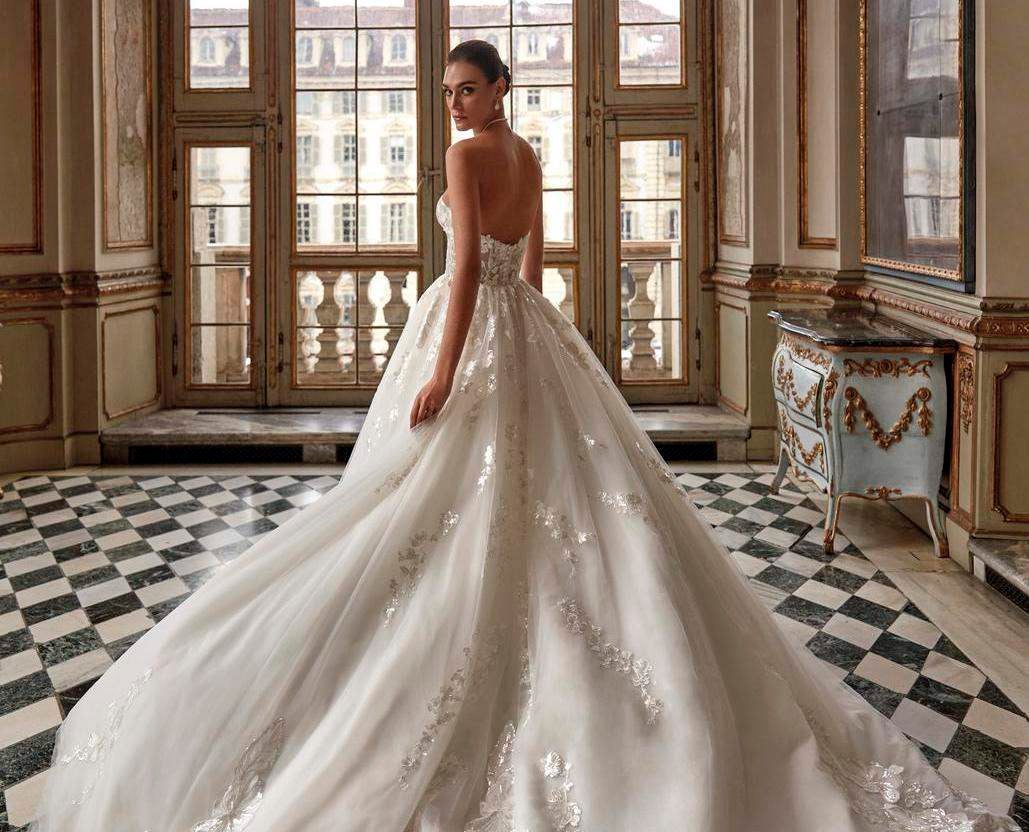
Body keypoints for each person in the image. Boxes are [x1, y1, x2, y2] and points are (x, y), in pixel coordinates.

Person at [28, 40, 1020, 832]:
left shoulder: (468, 157)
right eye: (449, 91)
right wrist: (532, 336)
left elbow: (464, 272)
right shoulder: (531, 151)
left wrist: (444, 371)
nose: (454, 104)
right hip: (529, 334)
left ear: (500, 86)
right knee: (543, 505)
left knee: (442, 507)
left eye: (467, 87)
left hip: (473, 332)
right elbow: (534, 264)